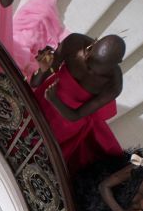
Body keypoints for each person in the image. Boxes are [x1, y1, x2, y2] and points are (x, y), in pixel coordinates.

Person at [31, 33, 125, 174]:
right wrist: (41, 70)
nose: (89, 70)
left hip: (66, 121)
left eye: (96, 72)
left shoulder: (113, 85)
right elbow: (35, 82)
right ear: (93, 45)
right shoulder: (74, 43)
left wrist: (54, 100)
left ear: (117, 63)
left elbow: (76, 115)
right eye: (89, 63)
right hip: (44, 99)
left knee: (39, 150)